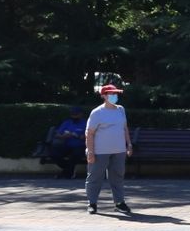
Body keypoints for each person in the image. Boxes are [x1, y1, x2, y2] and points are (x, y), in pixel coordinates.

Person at [85, 85, 133, 214]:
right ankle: (92, 203)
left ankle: (119, 203)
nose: (115, 96)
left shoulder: (121, 110)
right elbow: (89, 133)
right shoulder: (97, 112)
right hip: (100, 151)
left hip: (119, 151)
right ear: (104, 96)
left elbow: (124, 128)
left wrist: (129, 144)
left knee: (118, 176)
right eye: (112, 94)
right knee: (95, 177)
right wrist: (90, 152)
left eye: (116, 94)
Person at [51, 106, 87, 179]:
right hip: (67, 145)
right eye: (72, 114)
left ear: (81, 114)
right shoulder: (67, 123)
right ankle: (68, 170)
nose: (74, 116)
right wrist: (63, 136)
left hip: (81, 146)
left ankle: (66, 173)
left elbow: (87, 137)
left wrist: (76, 135)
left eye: (76, 114)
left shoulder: (86, 123)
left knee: (76, 154)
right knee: (55, 154)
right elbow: (57, 134)